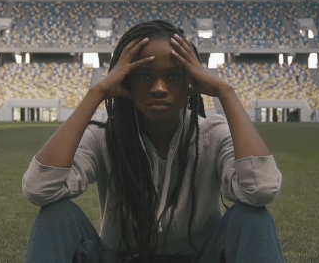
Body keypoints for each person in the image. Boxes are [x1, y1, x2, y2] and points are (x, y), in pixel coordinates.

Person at [22, 20, 284, 263]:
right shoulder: (104, 136)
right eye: (144, 76)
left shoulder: (211, 134)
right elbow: (39, 188)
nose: (159, 88)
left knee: (252, 217)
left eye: (172, 76)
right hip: (123, 257)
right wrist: (97, 93)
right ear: (126, 81)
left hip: (198, 257)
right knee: (56, 216)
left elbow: (260, 190)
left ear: (190, 81)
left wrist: (226, 93)